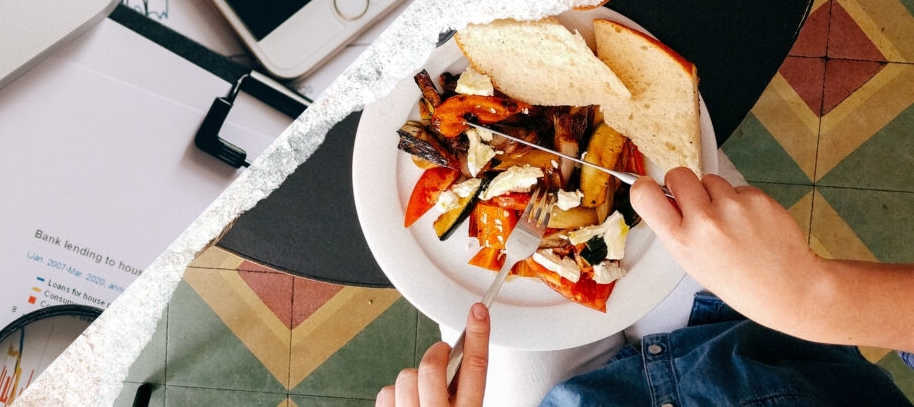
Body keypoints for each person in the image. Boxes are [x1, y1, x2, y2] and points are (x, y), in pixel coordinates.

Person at [376, 168, 914, 406]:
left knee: (463, 280)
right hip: (759, 336)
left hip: (555, 399)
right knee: (677, 166)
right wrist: (813, 294)